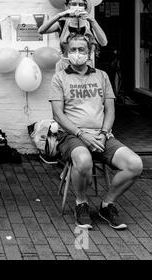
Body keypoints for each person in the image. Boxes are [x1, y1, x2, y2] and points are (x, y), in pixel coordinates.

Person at [49, 33, 143, 230]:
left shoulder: (102, 76)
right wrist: (82, 134)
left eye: (81, 49)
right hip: (72, 135)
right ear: (66, 53)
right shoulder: (59, 78)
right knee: (83, 161)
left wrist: (103, 132)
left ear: (89, 52)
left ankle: (107, 204)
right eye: (72, 50)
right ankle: (81, 204)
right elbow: (58, 115)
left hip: (102, 134)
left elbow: (110, 109)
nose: (77, 54)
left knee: (135, 165)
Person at [39, 0, 108, 73]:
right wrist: (59, 15)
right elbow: (41, 30)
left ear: (85, 6)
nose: (77, 7)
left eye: (80, 4)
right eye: (74, 4)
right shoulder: (62, 23)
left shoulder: (89, 24)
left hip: (85, 68)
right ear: (67, 6)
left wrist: (93, 21)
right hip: (65, 67)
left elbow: (104, 42)